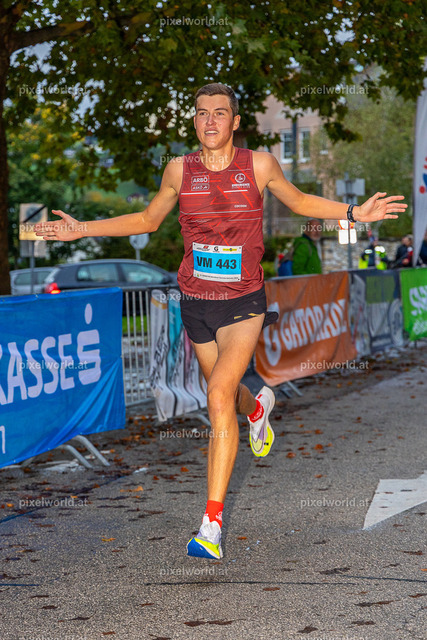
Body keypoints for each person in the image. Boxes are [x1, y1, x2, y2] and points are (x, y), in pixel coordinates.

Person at [36, 83, 407, 560]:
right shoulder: (178, 169)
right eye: (201, 113)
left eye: (219, 113)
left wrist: (355, 213)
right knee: (226, 396)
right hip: (195, 302)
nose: (209, 121)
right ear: (194, 121)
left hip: (242, 303)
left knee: (215, 396)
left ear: (235, 122)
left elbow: (300, 202)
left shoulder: (259, 165)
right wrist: (81, 229)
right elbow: (147, 220)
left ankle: (210, 525)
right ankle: (257, 408)